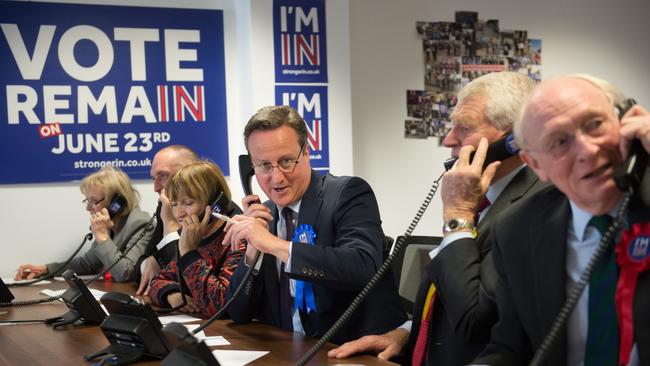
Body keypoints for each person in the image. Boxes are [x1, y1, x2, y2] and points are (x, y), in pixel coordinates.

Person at [328, 71, 545, 365]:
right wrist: (404, 332)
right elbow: (449, 291)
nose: (448, 139)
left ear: (515, 140)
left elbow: (476, 320)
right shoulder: (480, 196)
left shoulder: (535, 207)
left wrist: (456, 215)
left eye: (464, 128)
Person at [473, 74, 650, 365]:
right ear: (536, 165)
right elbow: (510, 348)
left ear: (626, 120)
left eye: (595, 125)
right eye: (559, 141)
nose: (588, 151)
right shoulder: (517, 230)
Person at [223, 105, 406, 344]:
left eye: (287, 161)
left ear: (306, 152)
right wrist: (252, 253)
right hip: (289, 351)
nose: (276, 178)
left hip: (352, 349)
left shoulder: (347, 193)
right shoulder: (264, 215)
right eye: (264, 166)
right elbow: (237, 313)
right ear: (251, 168)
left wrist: (276, 245)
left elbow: (362, 266)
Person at [15, 166, 152, 282]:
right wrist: (46, 269)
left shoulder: (141, 224)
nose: (88, 208)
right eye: (88, 201)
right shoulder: (109, 226)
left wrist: (102, 237)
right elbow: (87, 264)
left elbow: (125, 273)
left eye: (94, 201)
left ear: (117, 202)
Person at [148, 161, 245, 318]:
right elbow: (158, 281)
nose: (179, 213)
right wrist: (171, 294)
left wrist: (188, 252)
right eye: (174, 204)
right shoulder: (193, 234)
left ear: (215, 204)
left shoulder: (237, 237)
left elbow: (220, 304)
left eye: (187, 203)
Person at [135, 145, 199, 295]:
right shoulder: (165, 208)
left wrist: (170, 226)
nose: (155, 187)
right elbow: (139, 266)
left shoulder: (213, 211)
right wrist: (151, 261)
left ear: (191, 173)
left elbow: (186, 281)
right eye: (153, 178)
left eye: (163, 176)